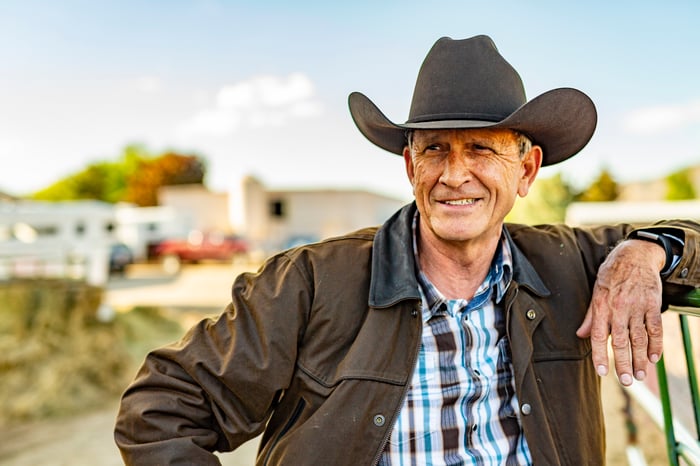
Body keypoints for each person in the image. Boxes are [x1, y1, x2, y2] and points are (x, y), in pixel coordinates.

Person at [114, 35, 700, 465]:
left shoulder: (569, 262)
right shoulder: (312, 281)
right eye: (436, 149)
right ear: (409, 165)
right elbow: (159, 408)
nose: (455, 174)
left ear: (526, 170)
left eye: (481, 150)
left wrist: (649, 248)